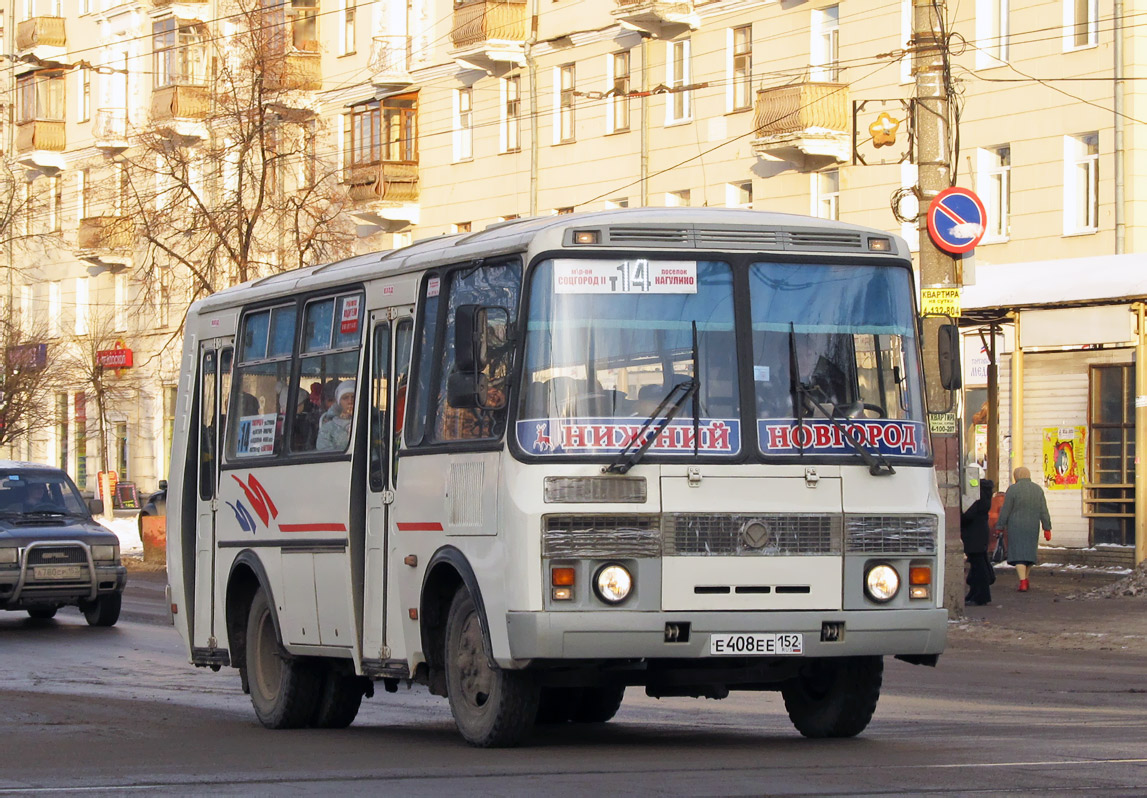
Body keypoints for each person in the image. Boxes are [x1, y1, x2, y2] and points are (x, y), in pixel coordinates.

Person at [995, 465, 1052, 592]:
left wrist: (1000, 526)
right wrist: (1047, 527)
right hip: (1032, 526)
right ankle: (1026, 578)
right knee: (1029, 554)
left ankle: (1023, 581)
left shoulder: (1013, 490)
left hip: (1016, 526)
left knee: (1018, 554)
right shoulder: (1037, 490)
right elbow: (1044, 510)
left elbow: (1006, 510)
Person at [960, 478, 995, 605]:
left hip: (973, 534)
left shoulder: (976, 496)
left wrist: (959, 515)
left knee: (978, 565)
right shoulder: (985, 495)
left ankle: (981, 595)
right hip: (979, 532)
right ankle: (975, 593)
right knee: (977, 564)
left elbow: (969, 515)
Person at [316, 379, 355, 452]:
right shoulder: (328, 428)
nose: (350, 401)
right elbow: (324, 453)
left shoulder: (373, 423)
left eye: (353, 397)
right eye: (345, 398)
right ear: (339, 402)